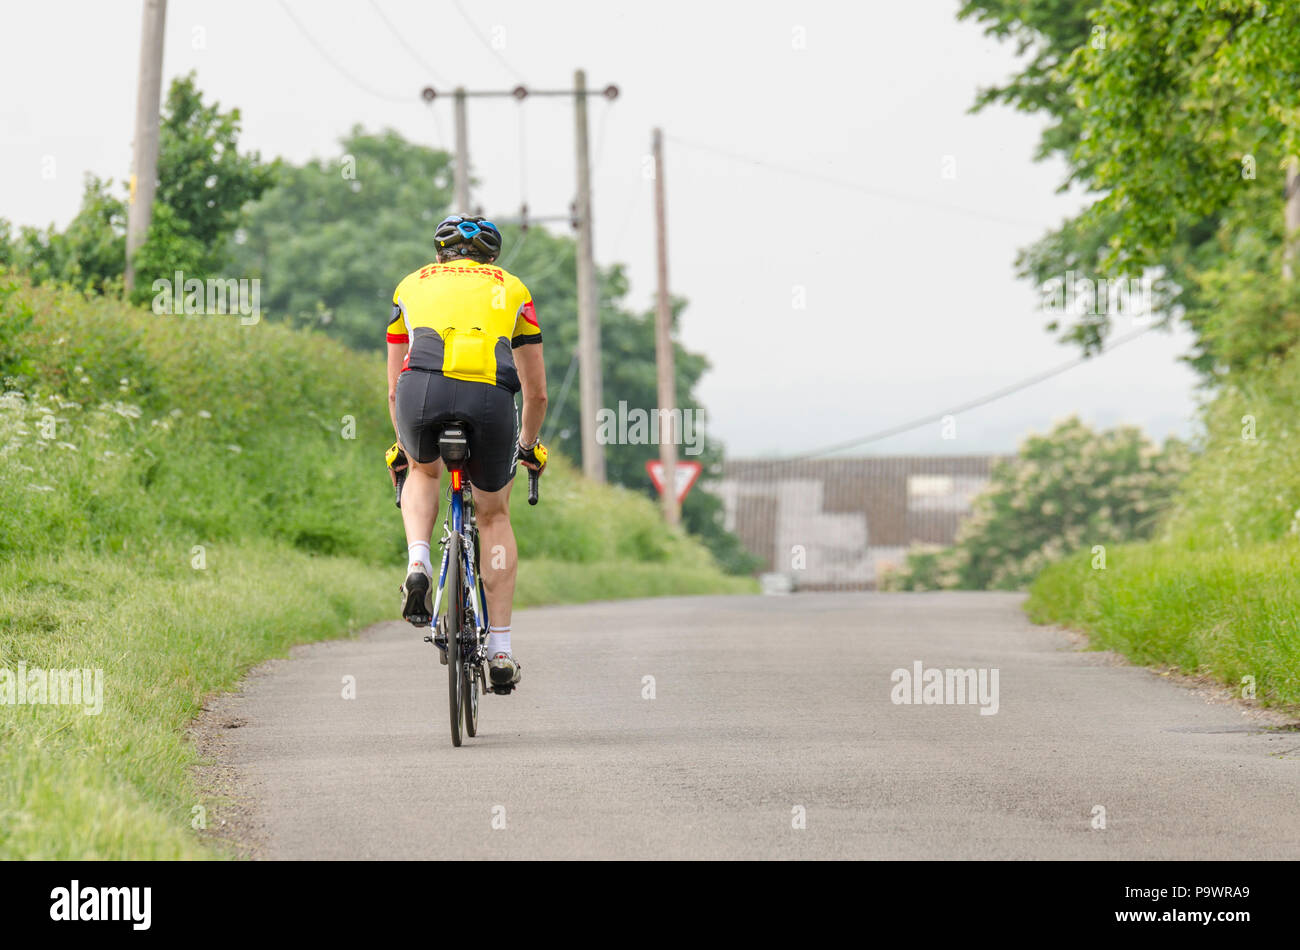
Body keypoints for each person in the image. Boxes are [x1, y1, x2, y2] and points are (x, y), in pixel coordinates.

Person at [385, 215, 547, 688]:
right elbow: (535, 394)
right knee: (493, 514)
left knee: (423, 471)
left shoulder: (409, 285)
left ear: (440, 255)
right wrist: (528, 447)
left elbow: (396, 388)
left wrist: (402, 445)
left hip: (422, 393)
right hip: (490, 400)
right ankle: (499, 650)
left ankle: (418, 561)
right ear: (491, 258)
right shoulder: (513, 289)